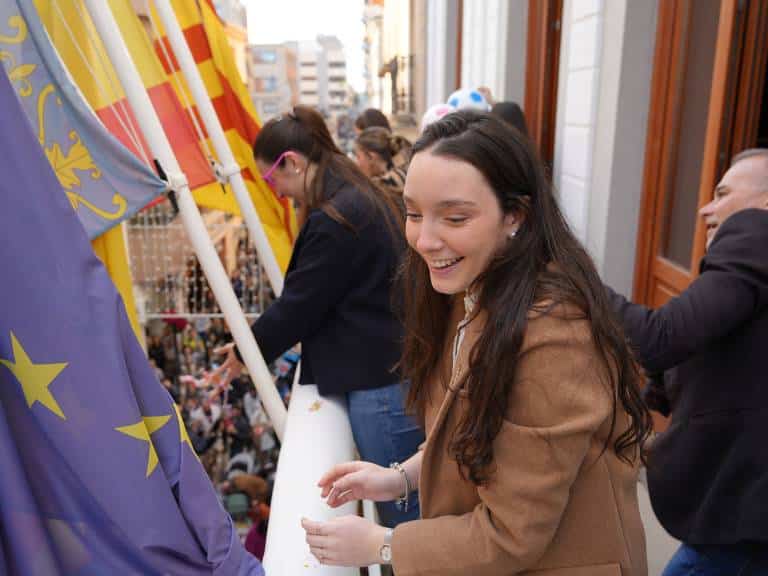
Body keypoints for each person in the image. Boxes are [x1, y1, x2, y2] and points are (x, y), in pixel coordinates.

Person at [301, 111, 651, 575]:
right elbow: (478, 436)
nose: (425, 239)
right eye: (413, 213)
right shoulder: (475, 290)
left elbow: (512, 533)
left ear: (515, 216)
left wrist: (382, 545)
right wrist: (400, 478)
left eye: (455, 217)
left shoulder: (554, 336)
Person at [215, 105, 424, 527]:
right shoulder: (356, 193)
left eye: (273, 180)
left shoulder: (336, 217)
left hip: (380, 388)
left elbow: (299, 305)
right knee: (407, 514)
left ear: (291, 162)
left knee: (403, 521)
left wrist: (244, 353)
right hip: (393, 375)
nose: (279, 193)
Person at [607, 148, 768, 575]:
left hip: (742, 518)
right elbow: (727, 351)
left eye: (723, 193)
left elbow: (662, 340)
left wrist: (576, 283)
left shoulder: (758, 235)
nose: (704, 207)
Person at [354, 126, 411, 196]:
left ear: (371, 157)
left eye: (358, 157)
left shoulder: (383, 187)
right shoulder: (406, 172)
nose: (357, 163)